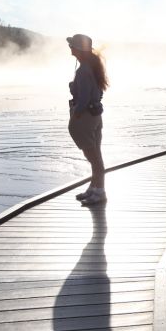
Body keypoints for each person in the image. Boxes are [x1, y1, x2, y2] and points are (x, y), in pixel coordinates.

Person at [67, 34, 108, 205]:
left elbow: (83, 98)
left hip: (85, 117)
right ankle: (94, 188)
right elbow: (98, 93)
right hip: (96, 116)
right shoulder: (93, 67)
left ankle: (100, 192)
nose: (70, 48)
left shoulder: (83, 70)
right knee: (95, 155)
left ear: (78, 49)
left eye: (72, 45)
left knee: (94, 158)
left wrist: (76, 113)